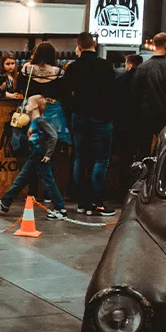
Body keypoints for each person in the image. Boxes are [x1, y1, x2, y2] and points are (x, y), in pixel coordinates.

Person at [63, 32, 117, 216]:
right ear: (94, 44)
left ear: (78, 46)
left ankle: (82, 202)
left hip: (79, 117)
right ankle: (96, 201)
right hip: (101, 117)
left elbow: (64, 94)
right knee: (100, 160)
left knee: (80, 159)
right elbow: (114, 93)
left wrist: (73, 111)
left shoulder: (73, 67)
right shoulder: (106, 66)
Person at [0, 95, 67, 219]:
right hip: (34, 156)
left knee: (48, 183)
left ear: (35, 106)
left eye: (28, 104)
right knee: (21, 179)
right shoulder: (33, 122)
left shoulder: (40, 121)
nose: (25, 106)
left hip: (40, 157)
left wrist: (48, 154)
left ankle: (61, 209)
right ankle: (5, 203)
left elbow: (53, 136)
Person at [132, 32, 166, 158]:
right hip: (165, 112)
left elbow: (135, 92)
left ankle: (143, 175)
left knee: (143, 150)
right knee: (165, 148)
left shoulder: (143, 67)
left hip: (145, 113)